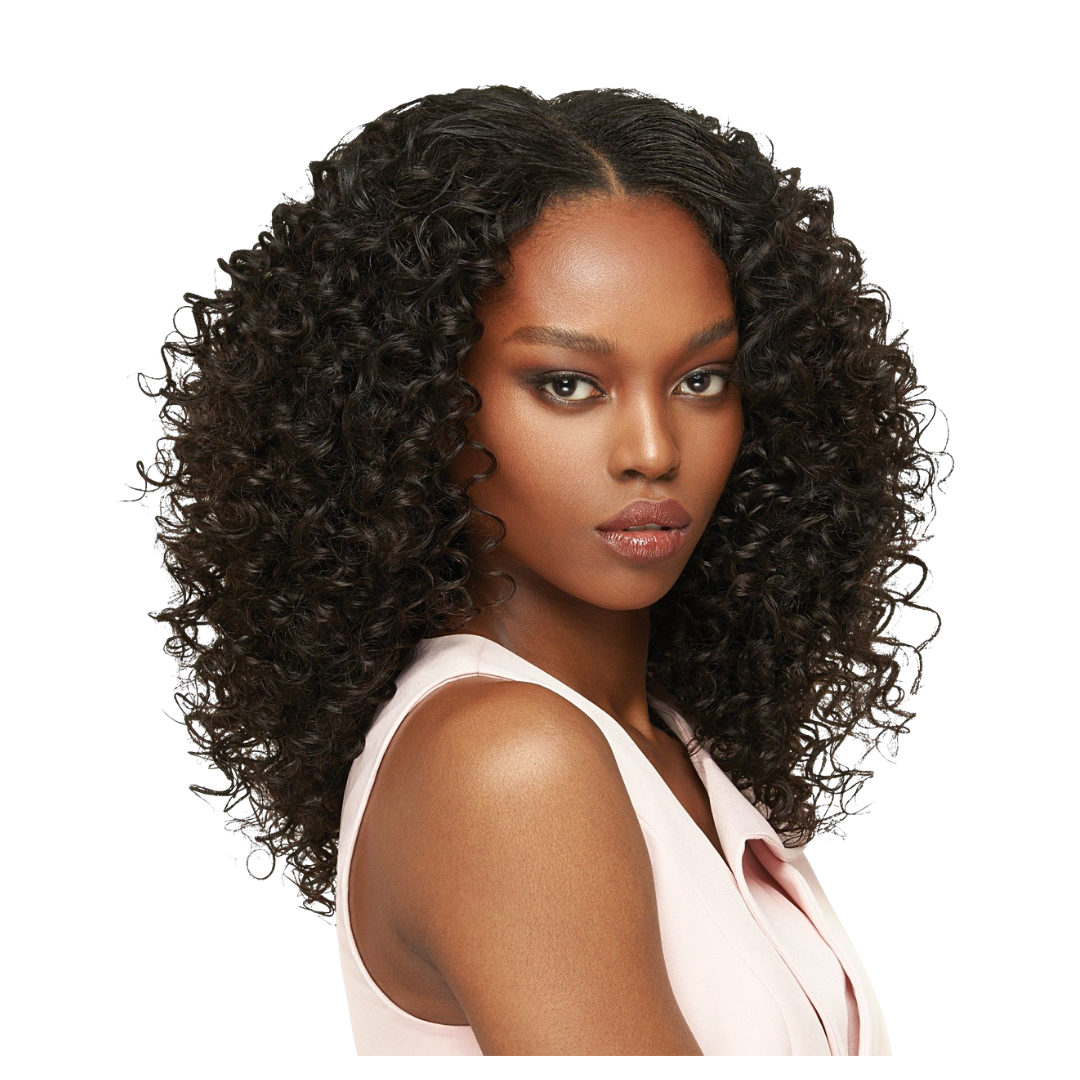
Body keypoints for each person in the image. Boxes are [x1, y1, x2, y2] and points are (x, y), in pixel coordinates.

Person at [136, 86, 940, 1055]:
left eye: (701, 379)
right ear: (418, 402)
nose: (653, 450)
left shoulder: (660, 741)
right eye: (568, 384)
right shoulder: (508, 760)